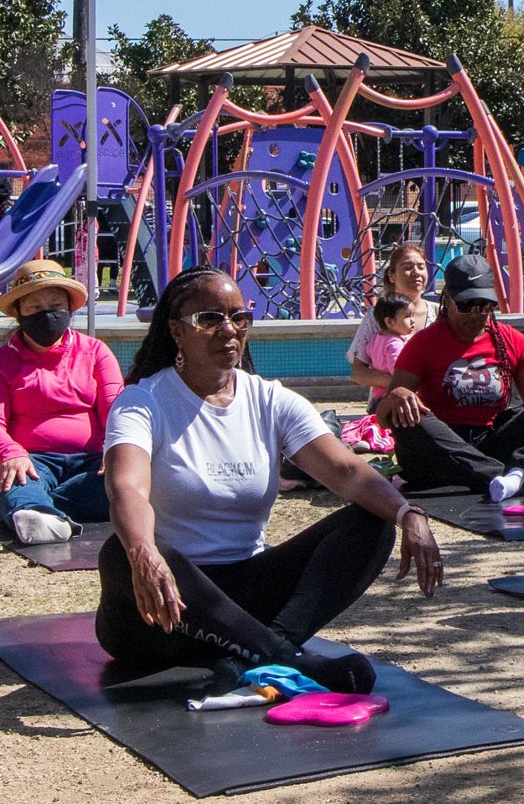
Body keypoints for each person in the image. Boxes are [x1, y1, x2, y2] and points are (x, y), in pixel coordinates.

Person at [96, 266, 443, 692]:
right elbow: (126, 486)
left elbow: (348, 471)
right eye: (210, 320)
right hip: (161, 614)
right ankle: (285, 657)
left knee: (372, 523)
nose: (229, 330)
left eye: (239, 317)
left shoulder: (269, 399)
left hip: (245, 597)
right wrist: (143, 552)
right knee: (119, 551)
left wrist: (408, 513)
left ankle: (257, 651)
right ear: (176, 332)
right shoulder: (143, 402)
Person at [377, 253, 524, 500]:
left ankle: (521, 472)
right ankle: (519, 476)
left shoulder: (511, 340)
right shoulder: (423, 343)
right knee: (408, 414)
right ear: (448, 301)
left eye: (486, 305)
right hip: (441, 451)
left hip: (491, 440)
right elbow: (384, 417)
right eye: (466, 305)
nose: (477, 314)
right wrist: (396, 396)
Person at [0, 259, 122, 545]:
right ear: (18, 313)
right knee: (16, 478)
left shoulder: (95, 352)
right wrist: (10, 453)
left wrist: (115, 449)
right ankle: (32, 509)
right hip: (31, 462)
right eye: (35, 308)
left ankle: (13, 507)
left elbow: (116, 408)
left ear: (69, 308)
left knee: (128, 485)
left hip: (92, 462)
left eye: (55, 306)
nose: (47, 315)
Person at [346, 241, 435, 405]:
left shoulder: (438, 313)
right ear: (392, 276)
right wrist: (401, 383)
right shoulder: (376, 316)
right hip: (389, 404)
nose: (416, 273)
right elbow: (358, 372)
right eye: (407, 267)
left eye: (421, 267)